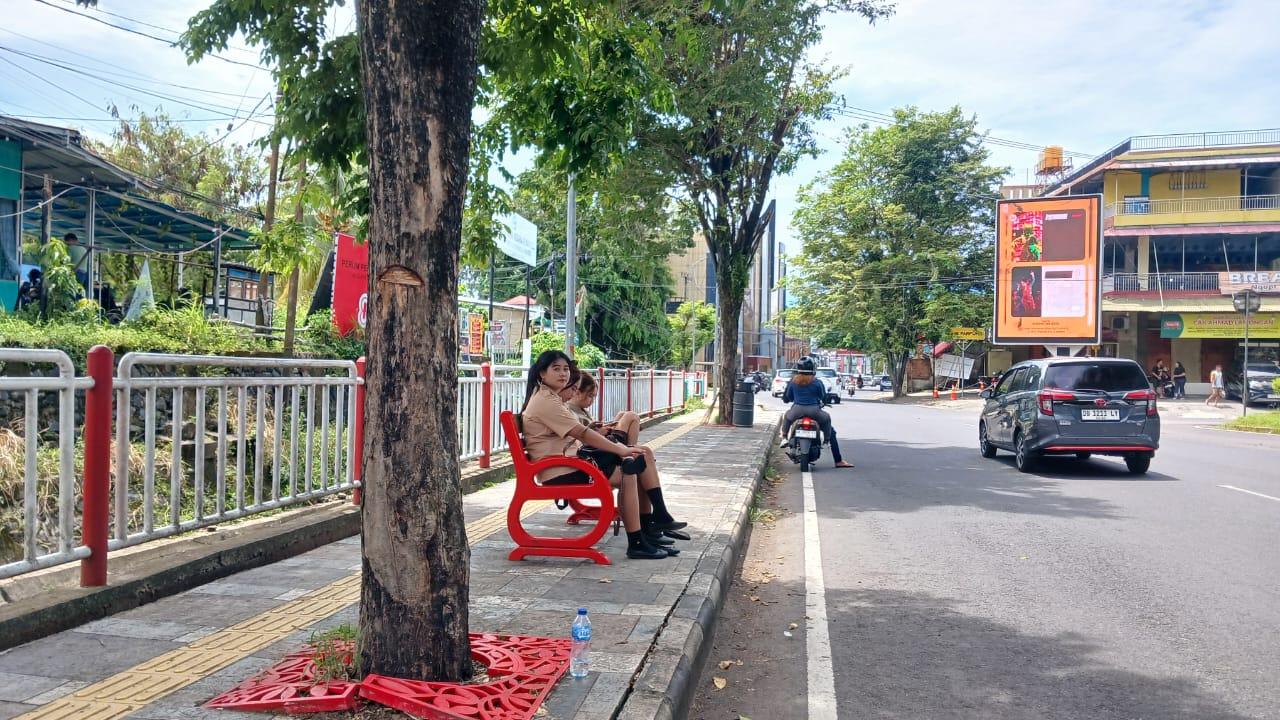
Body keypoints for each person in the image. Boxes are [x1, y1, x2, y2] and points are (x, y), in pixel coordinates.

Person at [520, 350, 675, 560]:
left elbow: (578, 432)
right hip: (560, 472)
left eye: (565, 369)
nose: (563, 374)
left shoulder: (550, 398)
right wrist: (621, 449)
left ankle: (649, 532)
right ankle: (642, 536)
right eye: (556, 369)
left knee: (637, 460)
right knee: (631, 468)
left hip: (570, 464)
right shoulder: (545, 401)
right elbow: (580, 432)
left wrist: (620, 449)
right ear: (542, 374)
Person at [562, 373, 689, 547]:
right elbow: (579, 440)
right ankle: (652, 523)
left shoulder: (563, 408)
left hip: (591, 456)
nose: (590, 399)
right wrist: (598, 434)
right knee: (632, 425)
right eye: (577, 390)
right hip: (585, 462)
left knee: (643, 454)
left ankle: (652, 523)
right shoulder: (560, 408)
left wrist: (596, 431)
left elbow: (580, 436)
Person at [780, 357, 854, 469]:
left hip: (797, 410)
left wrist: (790, 399)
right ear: (813, 368)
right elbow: (823, 397)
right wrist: (823, 402)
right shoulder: (817, 382)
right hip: (814, 411)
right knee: (828, 421)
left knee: (787, 417)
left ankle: (784, 437)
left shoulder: (793, 381)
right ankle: (830, 447)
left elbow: (786, 398)